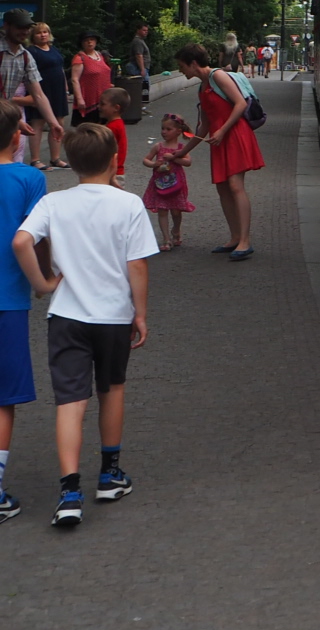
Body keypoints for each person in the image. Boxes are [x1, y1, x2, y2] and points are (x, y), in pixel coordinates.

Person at [12, 121, 156, 528]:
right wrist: (140, 313)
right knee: (112, 390)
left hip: (67, 316)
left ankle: (70, 493)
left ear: (72, 163)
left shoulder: (53, 203)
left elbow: (22, 241)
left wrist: (43, 284)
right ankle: (109, 475)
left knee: (70, 402)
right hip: (113, 316)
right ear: (114, 160)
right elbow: (137, 265)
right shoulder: (128, 204)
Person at [0, 101, 47, 521]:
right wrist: (45, 280)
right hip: (8, 298)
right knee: (3, 399)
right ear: (18, 136)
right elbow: (37, 237)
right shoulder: (31, 178)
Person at [175, 44, 264, 260]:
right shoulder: (202, 87)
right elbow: (204, 126)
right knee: (223, 188)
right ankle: (235, 237)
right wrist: (182, 152)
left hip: (234, 134)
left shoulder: (218, 76)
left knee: (235, 185)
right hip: (220, 138)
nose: (181, 70)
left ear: (193, 63)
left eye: (182, 66)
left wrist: (222, 130)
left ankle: (245, 240)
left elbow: (240, 104)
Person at [2, 10, 59, 167]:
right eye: (19, 27)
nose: (24, 32)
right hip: (7, 115)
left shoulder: (25, 56)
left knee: (9, 165)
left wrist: (53, 123)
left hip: (5, 118)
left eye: (27, 28)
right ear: (6, 26)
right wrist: (16, 120)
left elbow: (38, 94)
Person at [141, 112, 195, 251]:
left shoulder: (181, 148)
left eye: (168, 129)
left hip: (176, 185)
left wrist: (174, 158)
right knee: (162, 210)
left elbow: (188, 162)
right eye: (163, 128)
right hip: (160, 184)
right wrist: (154, 164)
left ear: (178, 131)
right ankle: (166, 239)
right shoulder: (158, 146)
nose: (164, 132)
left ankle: (176, 230)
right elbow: (146, 159)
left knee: (176, 211)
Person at [27, 23, 68, 170]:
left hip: (58, 90)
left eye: (45, 32)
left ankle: (55, 158)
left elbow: (60, 68)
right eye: (39, 33)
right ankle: (35, 159)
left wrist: (65, 87)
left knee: (59, 122)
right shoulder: (31, 51)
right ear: (33, 36)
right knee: (38, 123)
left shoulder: (53, 49)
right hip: (41, 90)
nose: (43, 35)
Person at [68, 32, 112, 127]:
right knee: (89, 128)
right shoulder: (79, 58)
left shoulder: (101, 56)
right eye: (86, 40)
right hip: (89, 99)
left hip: (104, 98)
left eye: (92, 40)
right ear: (82, 43)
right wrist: (79, 99)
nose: (89, 42)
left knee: (104, 128)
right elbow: (75, 80)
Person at [99, 87, 131, 186]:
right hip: (116, 170)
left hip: (111, 172)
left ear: (116, 108)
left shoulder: (112, 127)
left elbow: (104, 149)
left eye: (102, 104)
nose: (99, 107)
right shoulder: (117, 123)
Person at [128, 23, 151, 106]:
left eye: (147, 30)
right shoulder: (138, 41)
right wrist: (142, 69)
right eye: (144, 30)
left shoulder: (140, 41)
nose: (146, 32)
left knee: (145, 86)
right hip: (138, 68)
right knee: (143, 86)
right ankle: (140, 105)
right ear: (138, 30)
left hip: (141, 67)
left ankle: (141, 105)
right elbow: (138, 55)